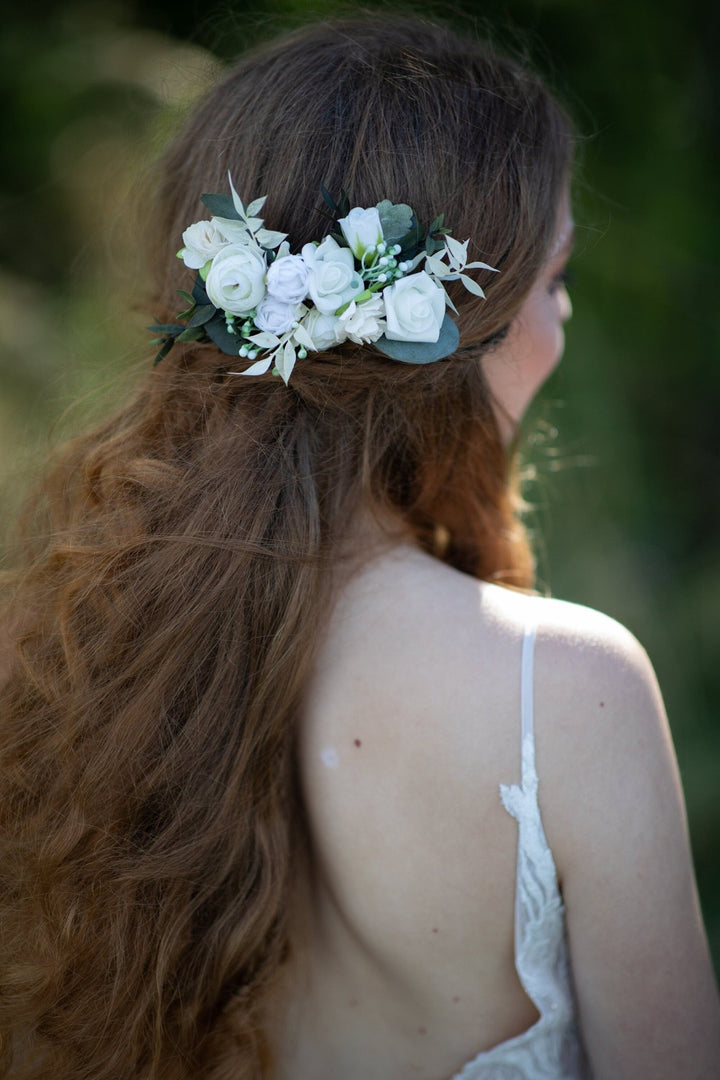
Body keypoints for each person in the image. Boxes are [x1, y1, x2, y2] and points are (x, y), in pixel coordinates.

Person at [0, 14, 718, 1080]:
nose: (561, 322)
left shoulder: (48, 654)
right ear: (455, 326)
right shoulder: (571, 688)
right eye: (554, 279)